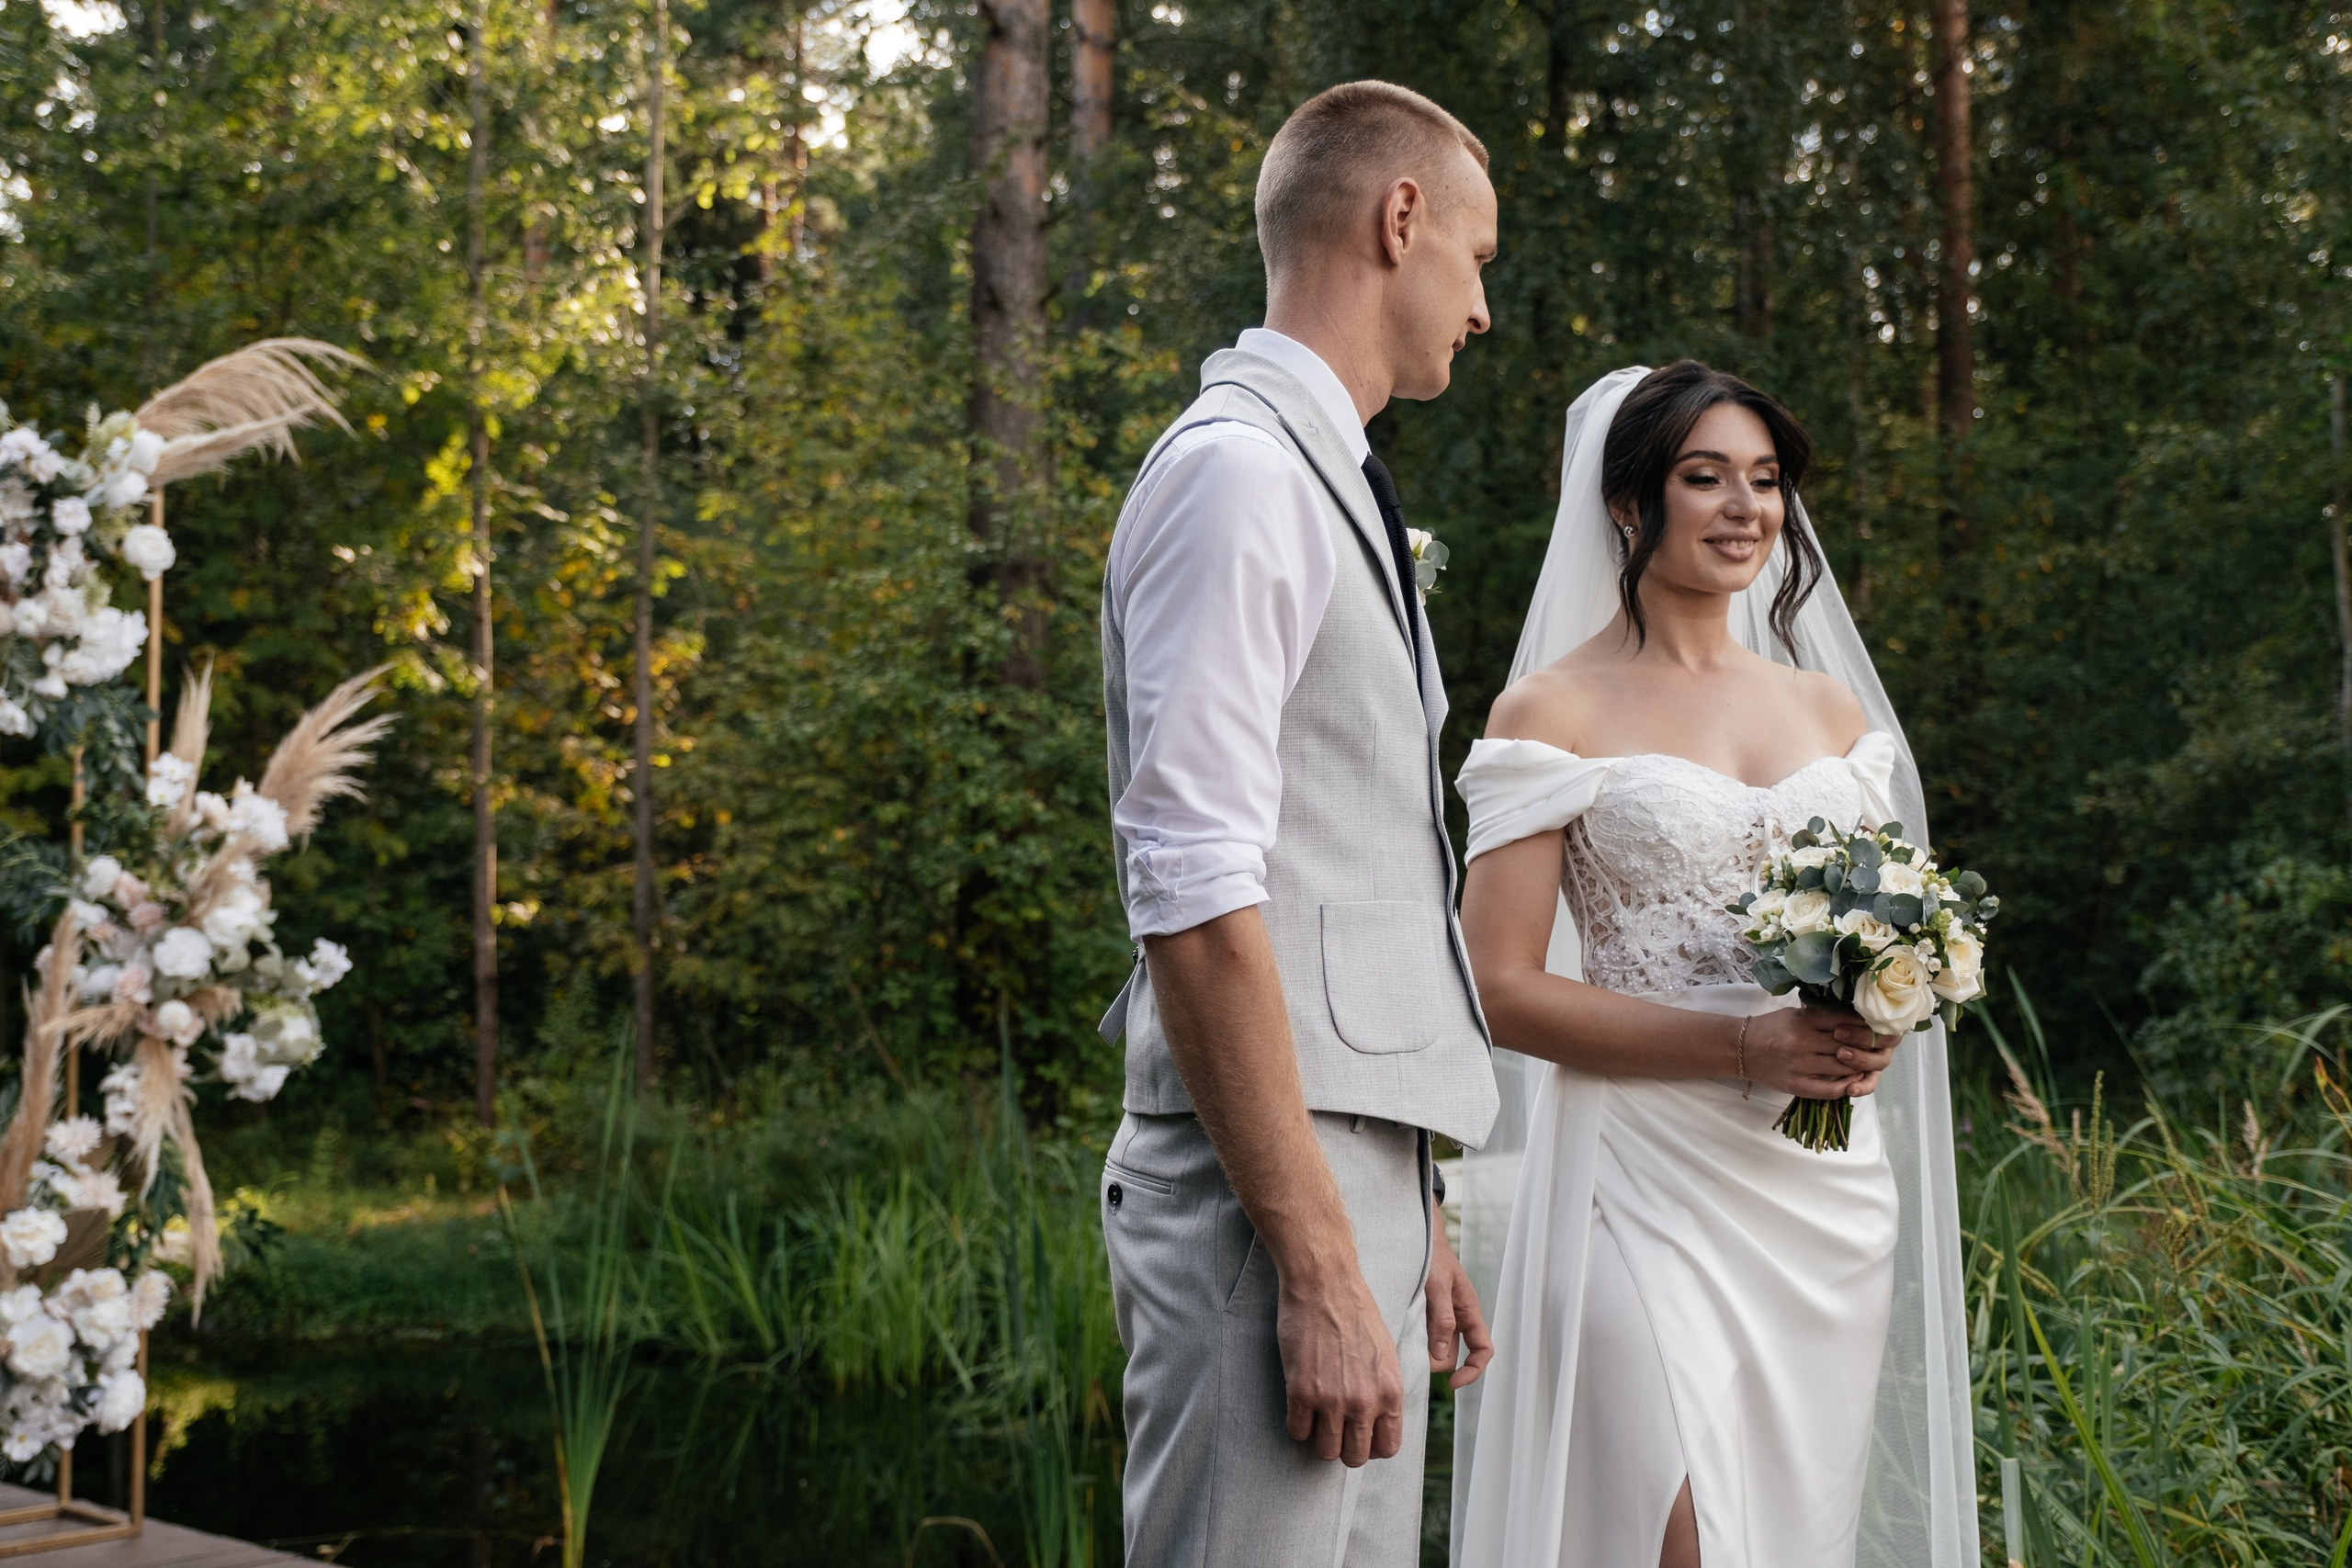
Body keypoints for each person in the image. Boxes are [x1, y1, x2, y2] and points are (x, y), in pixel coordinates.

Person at [1449, 362, 1979, 1568]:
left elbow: (1894, 934)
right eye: (1706, 479)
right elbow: (1497, 985)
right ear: (1632, 503)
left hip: (1822, 1192)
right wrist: (1738, 1045)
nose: (1746, 508)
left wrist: (1878, 1008)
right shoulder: (1551, 710)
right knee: (1677, 1536)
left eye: (1766, 481)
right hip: (1633, 1181)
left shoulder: (1833, 717)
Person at [1096, 80, 1502, 1568]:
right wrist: (1323, 1263)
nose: (1479, 309)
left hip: (1346, 1190)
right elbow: (1196, 894)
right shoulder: (1239, 478)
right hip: (1267, 1219)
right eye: (1479, 257)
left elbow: (1349, 868)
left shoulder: (1318, 477)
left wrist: (1412, 1211)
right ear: (1400, 220)